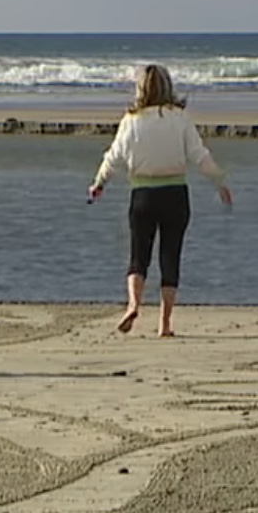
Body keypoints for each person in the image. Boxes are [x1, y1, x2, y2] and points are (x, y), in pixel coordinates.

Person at [88, 64, 233, 337]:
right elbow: (199, 155)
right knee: (170, 256)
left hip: (142, 194)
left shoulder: (131, 121)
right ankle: (165, 324)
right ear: (168, 87)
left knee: (138, 256)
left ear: (140, 88)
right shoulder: (179, 118)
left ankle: (133, 303)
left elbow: (113, 157)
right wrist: (219, 181)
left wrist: (99, 184)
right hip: (175, 194)